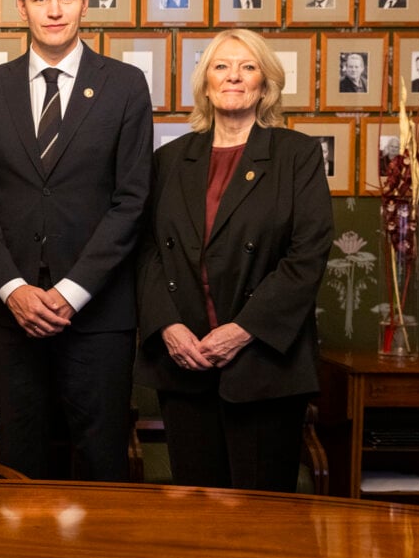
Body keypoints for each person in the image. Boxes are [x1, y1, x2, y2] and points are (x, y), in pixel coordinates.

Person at [0, 0, 153, 480]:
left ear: (85, 4)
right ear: (21, 7)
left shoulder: (125, 86)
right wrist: (12, 289)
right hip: (11, 317)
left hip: (97, 317)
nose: (54, 9)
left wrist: (70, 293)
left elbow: (131, 200)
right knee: (16, 464)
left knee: (100, 462)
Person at [134, 28, 333, 493]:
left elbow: (306, 257)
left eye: (247, 67)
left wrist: (243, 331)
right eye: (221, 67)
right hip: (184, 361)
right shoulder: (169, 160)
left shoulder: (297, 155)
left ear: (265, 84)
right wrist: (168, 327)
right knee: (195, 517)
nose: (234, 77)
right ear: (205, 84)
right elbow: (144, 251)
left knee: (260, 523)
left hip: (264, 365)